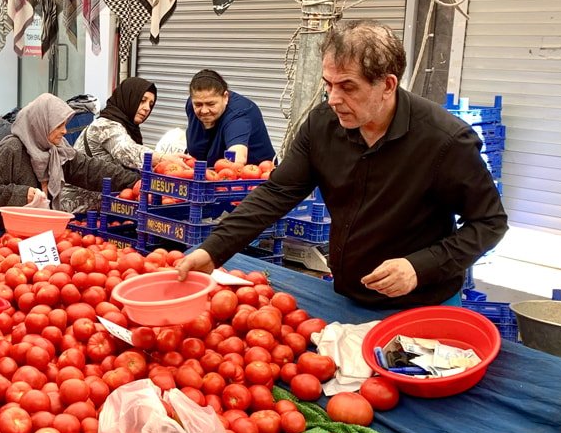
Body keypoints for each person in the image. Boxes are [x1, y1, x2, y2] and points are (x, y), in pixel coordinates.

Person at [175, 20, 508, 308]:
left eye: (348, 87)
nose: (333, 99)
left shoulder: (444, 141)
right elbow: (276, 192)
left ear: (387, 85)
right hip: (348, 295)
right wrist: (213, 250)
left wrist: (420, 266)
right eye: (328, 85)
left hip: (423, 301)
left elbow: (489, 222)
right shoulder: (322, 125)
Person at [0, 94, 142, 235]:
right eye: (59, 125)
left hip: (13, 230)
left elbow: (88, 169)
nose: (65, 131)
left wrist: (134, 181)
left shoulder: (54, 150)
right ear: (41, 124)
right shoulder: (13, 147)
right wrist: (22, 194)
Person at [56, 77, 186, 213]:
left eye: (151, 104)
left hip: (101, 210)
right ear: (129, 98)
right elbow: (127, 151)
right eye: (142, 101)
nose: (147, 108)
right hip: (77, 211)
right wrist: (163, 159)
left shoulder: (127, 129)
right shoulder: (105, 125)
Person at [185, 69, 276, 166]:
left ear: (225, 97)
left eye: (211, 104)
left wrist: (232, 164)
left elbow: (237, 156)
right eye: (198, 104)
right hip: (208, 174)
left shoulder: (239, 114)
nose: (204, 110)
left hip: (253, 177)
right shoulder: (192, 105)